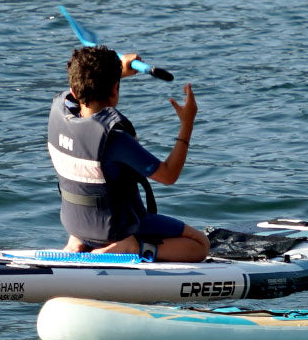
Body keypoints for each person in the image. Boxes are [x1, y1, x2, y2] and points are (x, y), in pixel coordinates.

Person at [47, 45, 209, 262]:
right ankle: (132, 247)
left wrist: (117, 72)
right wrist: (187, 123)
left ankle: (78, 243)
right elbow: (169, 175)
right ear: (115, 88)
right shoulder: (114, 139)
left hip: (78, 224)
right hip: (114, 229)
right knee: (200, 244)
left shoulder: (59, 110)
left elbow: (81, 87)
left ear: (75, 91)